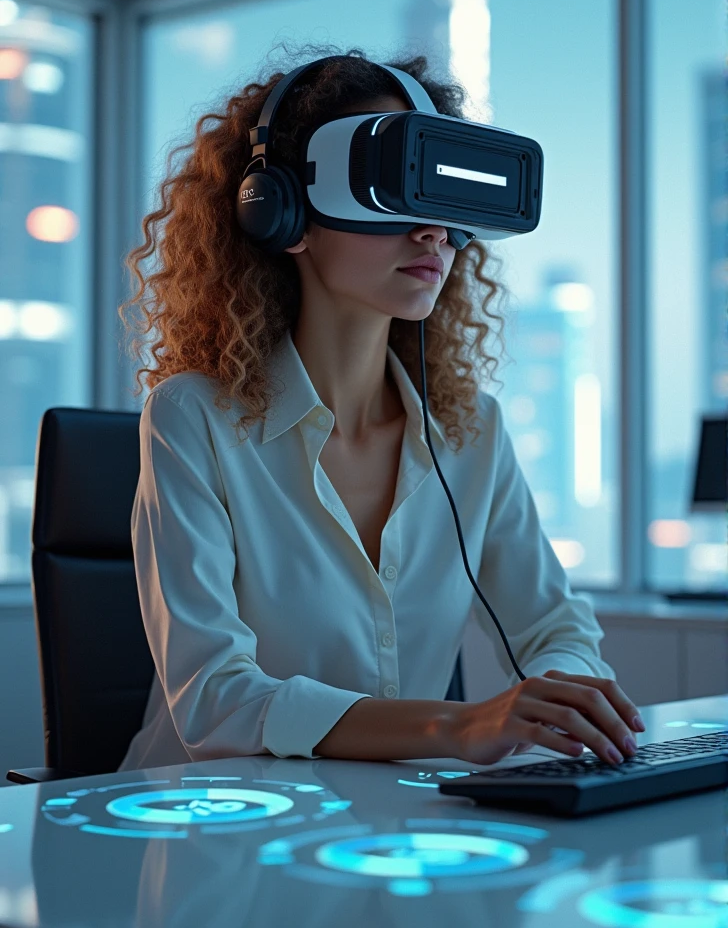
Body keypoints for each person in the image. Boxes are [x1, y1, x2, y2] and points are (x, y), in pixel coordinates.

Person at [116, 44, 644, 774]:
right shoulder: (194, 419)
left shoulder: (472, 433)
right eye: (392, 193)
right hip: (207, 832)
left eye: (441, 202)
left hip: (389, 834)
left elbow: (554, 623)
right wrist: (455, 728)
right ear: (283, 212)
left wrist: (563, 691)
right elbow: (216, 700)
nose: (433, 233)